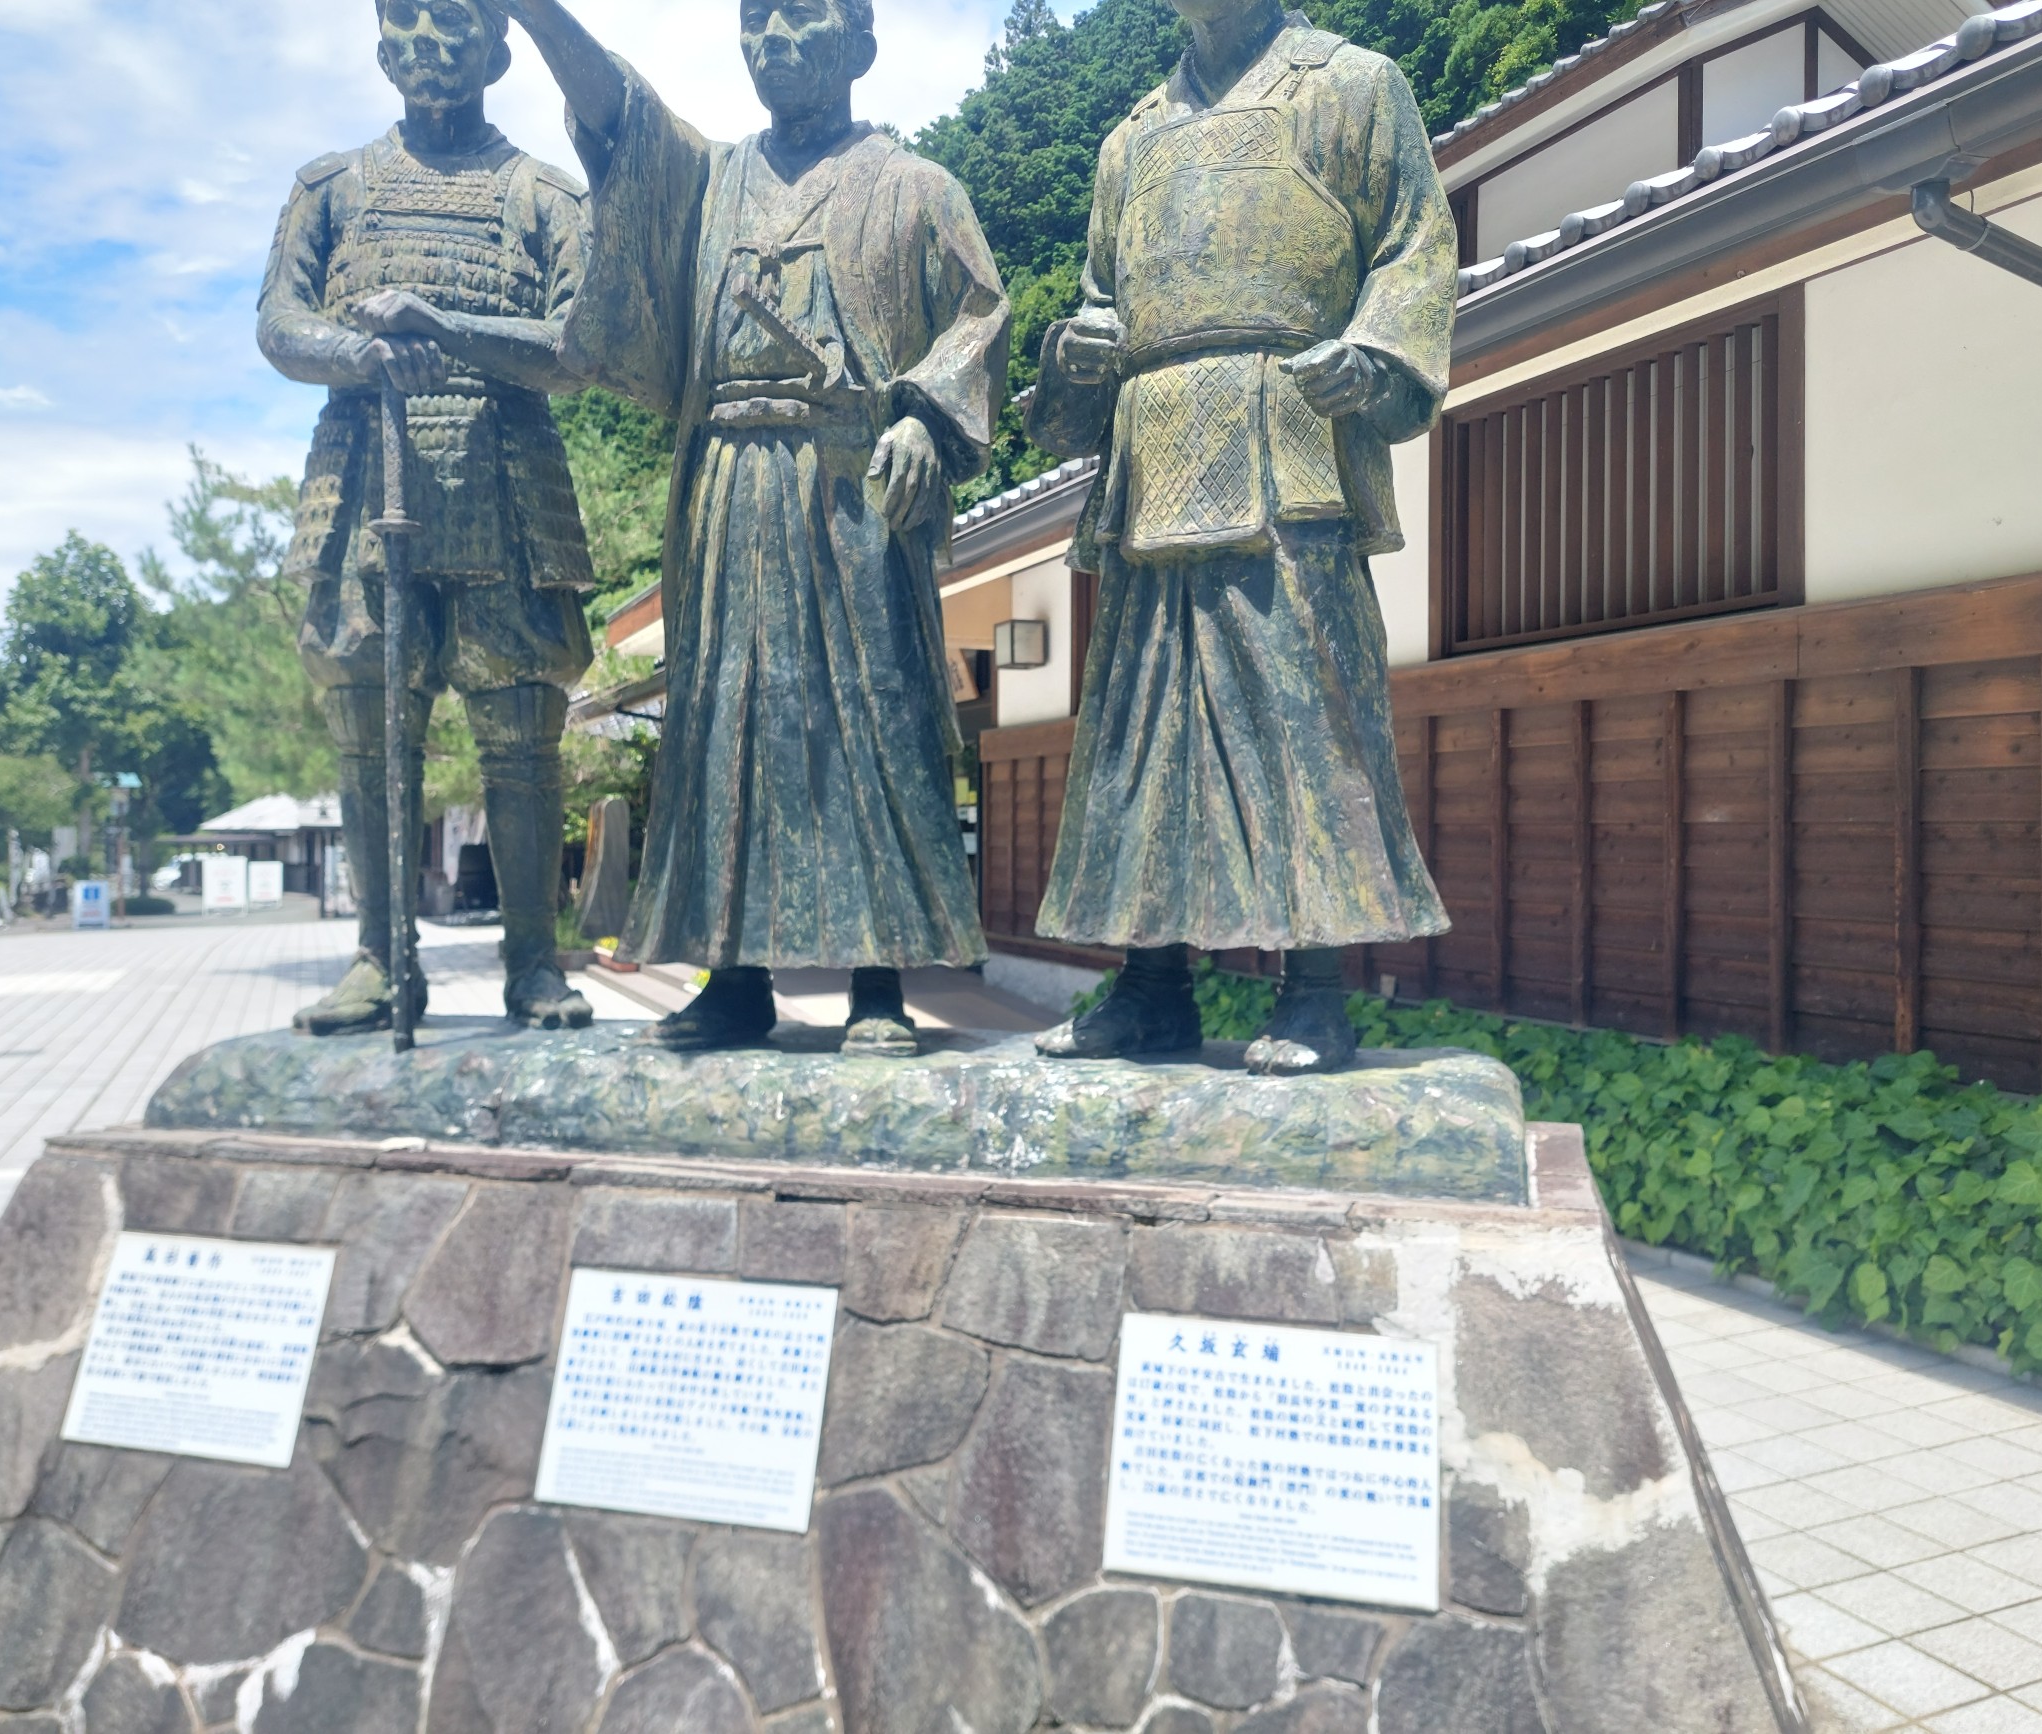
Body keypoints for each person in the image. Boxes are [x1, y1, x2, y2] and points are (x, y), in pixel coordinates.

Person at [498, 0, 1008, 1055]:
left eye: (801, 13)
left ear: (860, 44)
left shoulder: (917, 186)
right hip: (726, 484)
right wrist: (537, 15)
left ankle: (877, 978)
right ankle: (732, 977)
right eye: (755, 16)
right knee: (726, 721)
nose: (772, 35)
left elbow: (978, 317)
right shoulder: (708, 182)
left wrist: (923, 416)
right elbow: (622, 116)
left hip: (852, 486)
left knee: (870, 718)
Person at [1025, 0, 1457, 1075]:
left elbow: (1413, 251)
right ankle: (1149, 987)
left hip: (1284, 434)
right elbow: (1097, 296)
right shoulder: (1129, 138)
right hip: (1150, 456)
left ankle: (1313, 993)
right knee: (1141, 730)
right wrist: (1076, 347)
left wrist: (1373, 356)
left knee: (1303, 718)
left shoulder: (1352, 86)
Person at [260, 0, 598, 1036]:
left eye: (451, 19)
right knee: (369, 728)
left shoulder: (544, 195)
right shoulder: (331, 189)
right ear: (379, 48)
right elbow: (279, 321)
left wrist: (446, 328)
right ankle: (380, 958)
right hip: (365, 474)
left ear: (497, 48)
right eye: (404, 17)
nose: (426, 41)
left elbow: (579, 348)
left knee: (521, 735)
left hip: (508, 484)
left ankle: (533, 963)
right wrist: (358, 353)